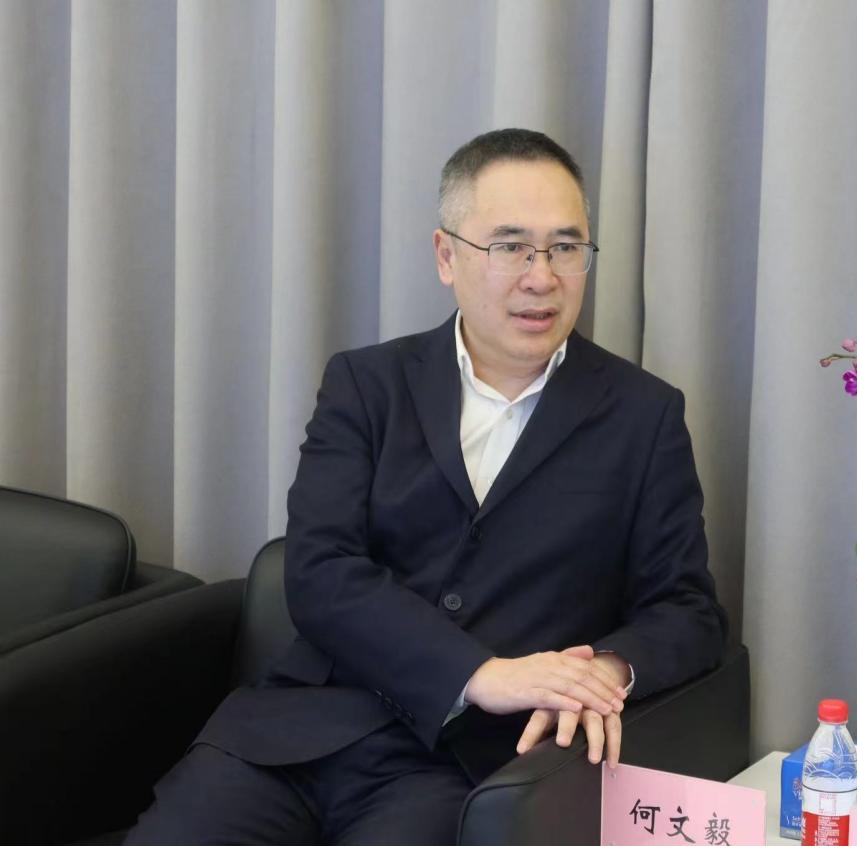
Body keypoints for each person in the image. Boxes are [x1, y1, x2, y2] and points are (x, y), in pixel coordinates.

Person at [125, 128, 727, 845]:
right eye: (510, 247)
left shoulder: (643, 415)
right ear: (446, 255)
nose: (542, 277)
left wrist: (606, 670)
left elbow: (686, 609)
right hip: (300, 734)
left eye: (565, 248)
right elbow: (319, 570)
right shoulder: (367, 384)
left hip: (463, 768)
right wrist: (477, 673)